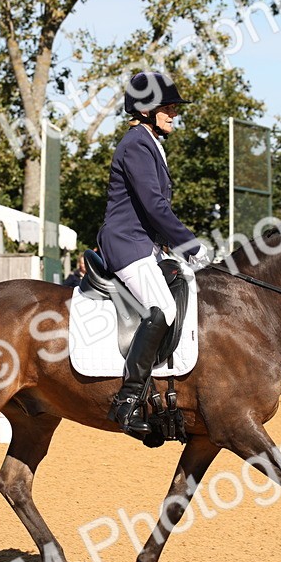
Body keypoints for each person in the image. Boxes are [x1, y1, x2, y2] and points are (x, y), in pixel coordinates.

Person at [96, 71, 210, 437]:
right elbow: (154, 205)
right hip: (127, 243)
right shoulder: (136, 144)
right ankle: (128, 400)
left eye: (174, 107)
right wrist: (190, 244)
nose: (175, 112)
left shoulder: (149, 142)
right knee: (163, 309)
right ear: (145, 109)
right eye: (168, 107)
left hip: (145, 243)